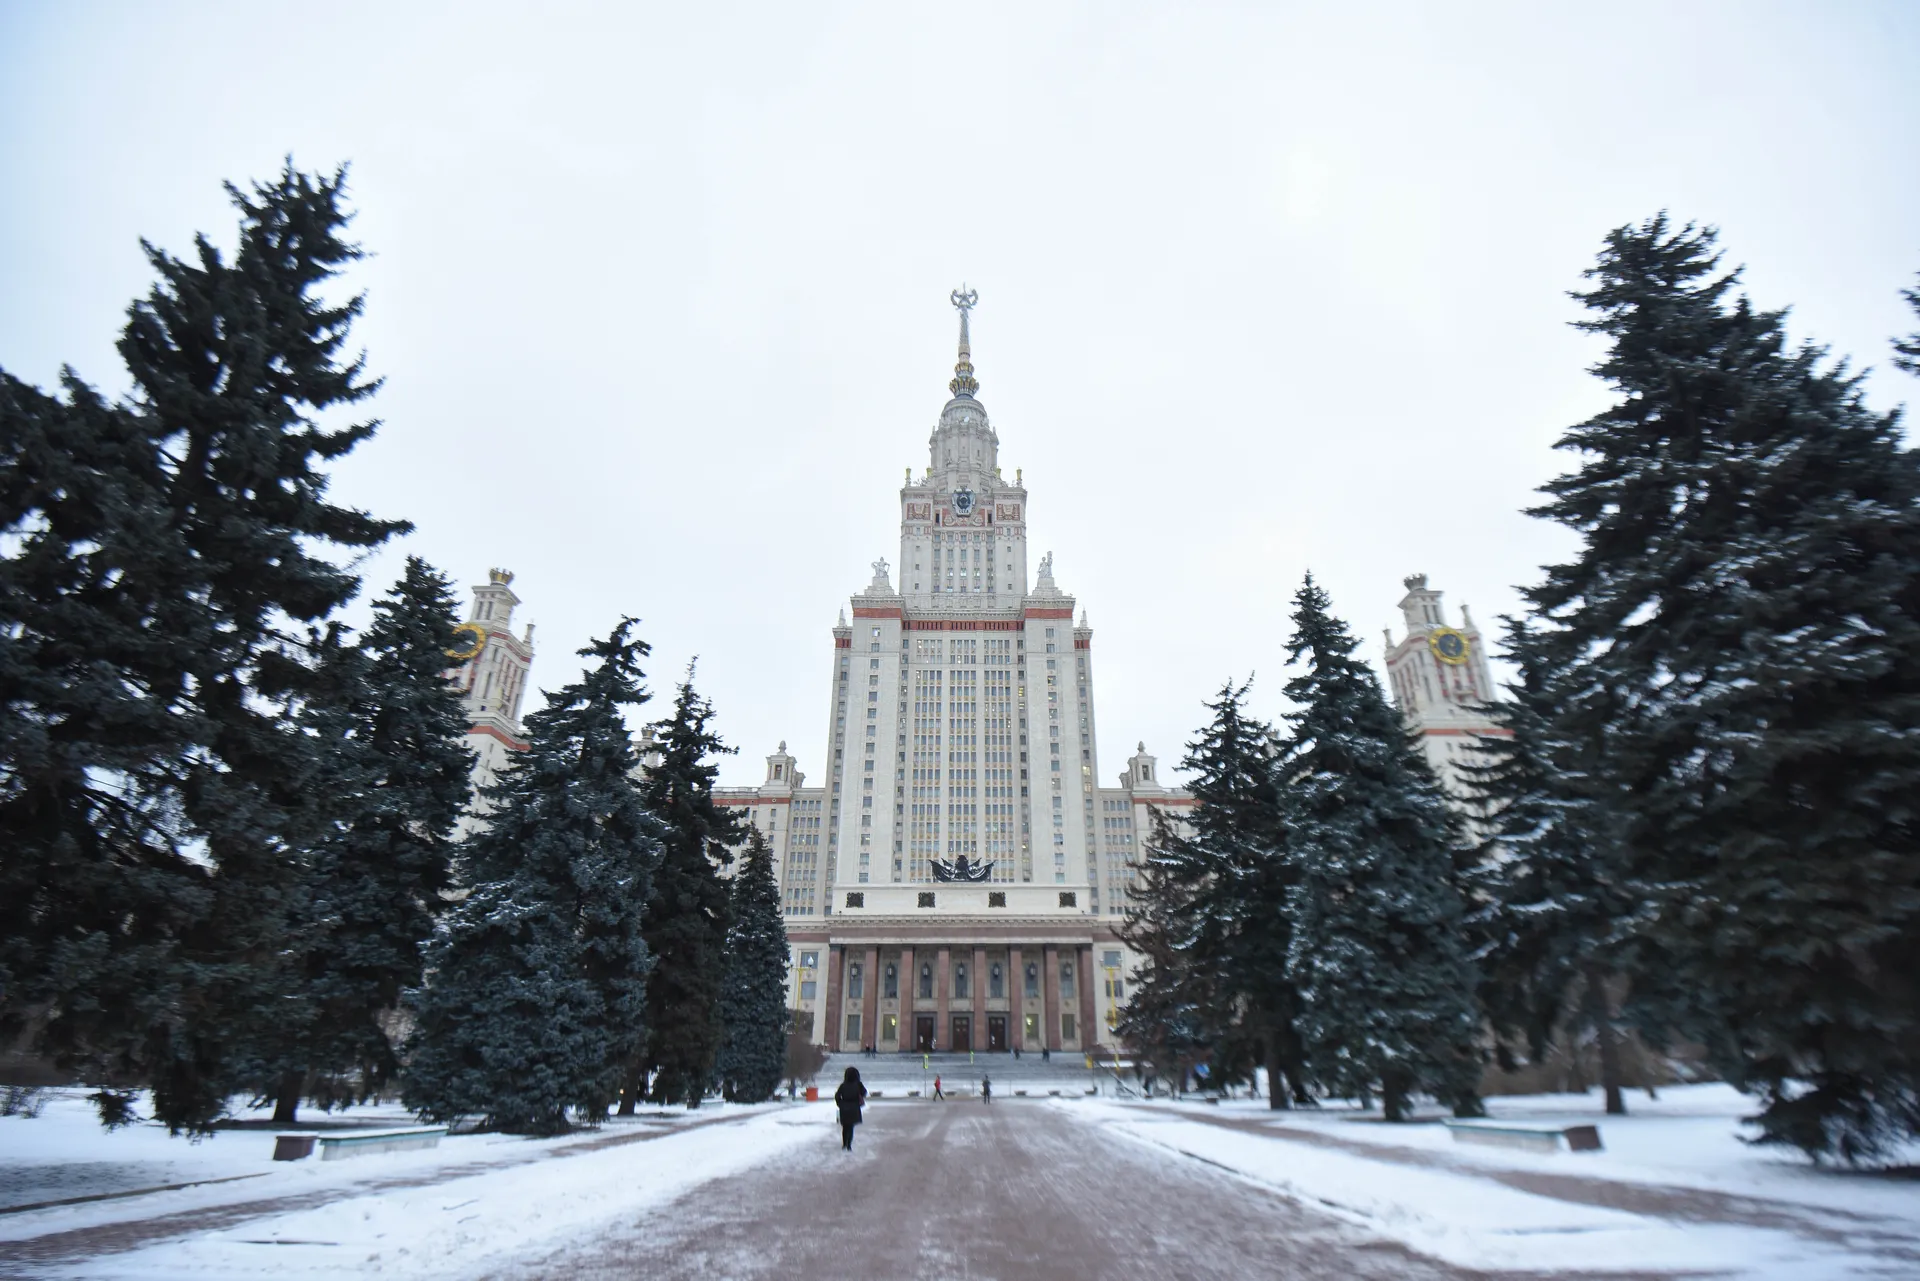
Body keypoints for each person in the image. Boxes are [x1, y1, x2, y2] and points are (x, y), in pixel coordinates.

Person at [834, 1066, 867, 1152]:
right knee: (850, 1127)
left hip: (844, 1107)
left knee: (845, 1127)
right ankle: (849, 1145)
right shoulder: (858, 1084)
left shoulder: (843, 1085)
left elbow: (837, 1095)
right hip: (854, 1107)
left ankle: (844, 1144)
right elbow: (864, 1093)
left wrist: (840, 1103)